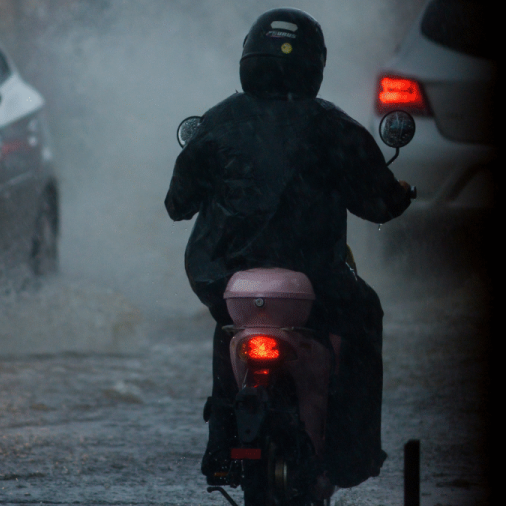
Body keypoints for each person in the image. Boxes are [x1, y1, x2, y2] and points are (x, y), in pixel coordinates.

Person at [164, 8, 413, 489]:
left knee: (226, 329)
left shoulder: (217, 122)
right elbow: (380, 203)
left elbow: (177, 205)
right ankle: (351, 455)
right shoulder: (334, 126)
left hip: (226, 280)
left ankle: (221, 448)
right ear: (314, 66)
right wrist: (400, 193)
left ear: (248, 59)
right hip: (317, 281)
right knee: (365, 313)